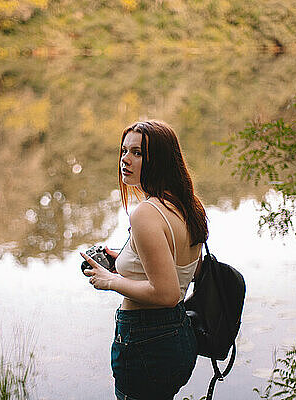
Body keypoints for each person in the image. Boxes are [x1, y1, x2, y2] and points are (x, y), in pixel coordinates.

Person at [80, 120, 209, 400]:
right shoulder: (186, 204)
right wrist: (126, 259)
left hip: (146, 342)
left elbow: (166, 293)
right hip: (177, 335)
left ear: (159, 160)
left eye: (138, 153)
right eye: (124, 151)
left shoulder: (146, 213)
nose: (125, 159)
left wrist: (111, 280)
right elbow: (185, 267)